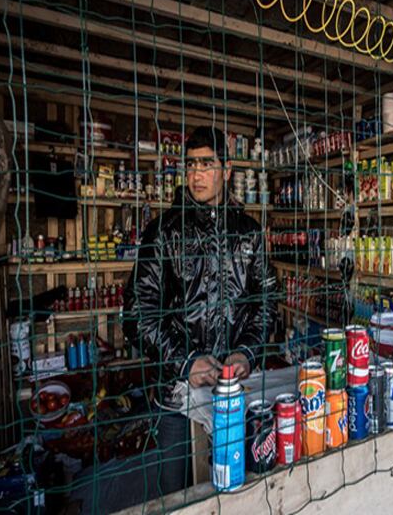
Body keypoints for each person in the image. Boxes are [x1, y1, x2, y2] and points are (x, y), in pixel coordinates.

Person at [69, 126, 276, 513]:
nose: (197, 174)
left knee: (238, 491)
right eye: (191, 164)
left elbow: (267, 304)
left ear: (226, 169)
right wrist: (184, 361)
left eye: (207, 163)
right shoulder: (163, 233)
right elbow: (136, 314)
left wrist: (247, 352)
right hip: (176, 397)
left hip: (235, 392)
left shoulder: (249, 234)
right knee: (175, 497)